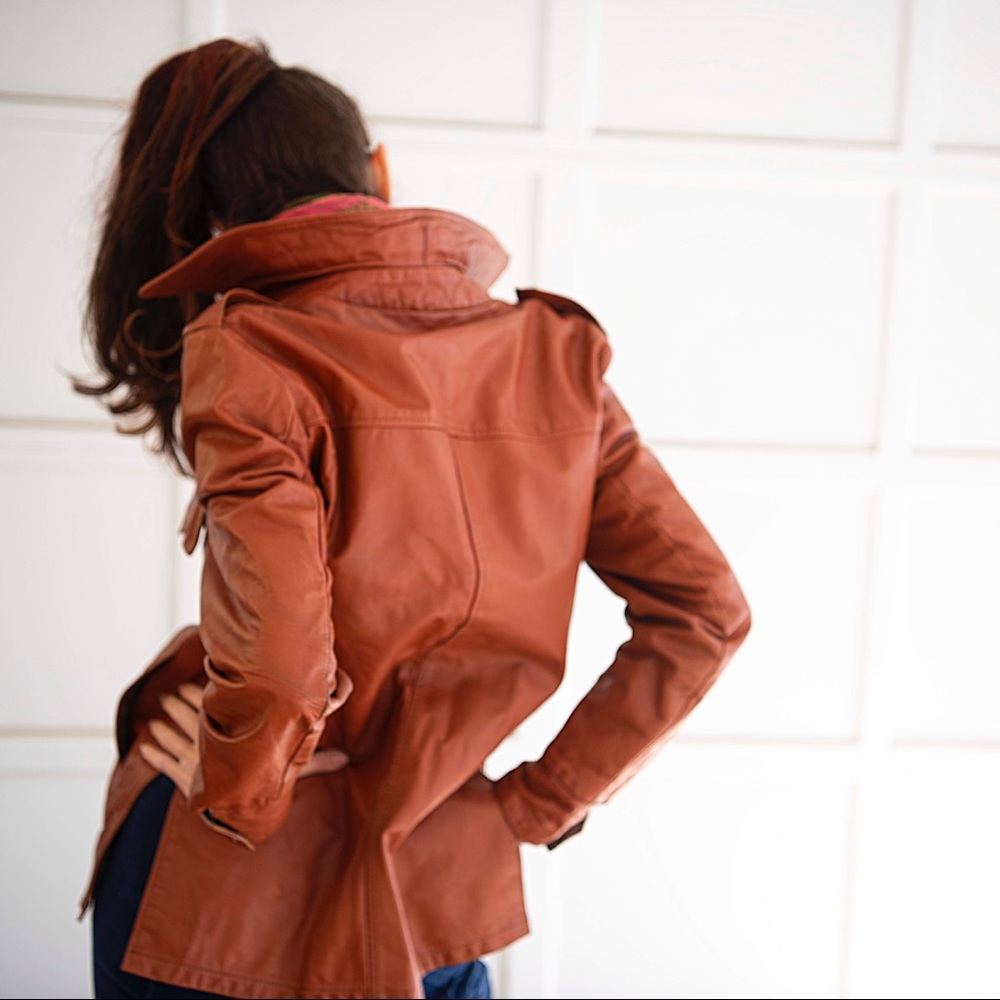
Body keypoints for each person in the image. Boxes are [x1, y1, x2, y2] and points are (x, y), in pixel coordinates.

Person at [75, 37, 751, 1000]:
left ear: (211, 226)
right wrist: (538, 805)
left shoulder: (249, 348)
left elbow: (278, 662)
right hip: (426, 888)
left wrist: (237, 796)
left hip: (221, 903)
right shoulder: (557, 358)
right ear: (379, 174)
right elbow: (707, 613)